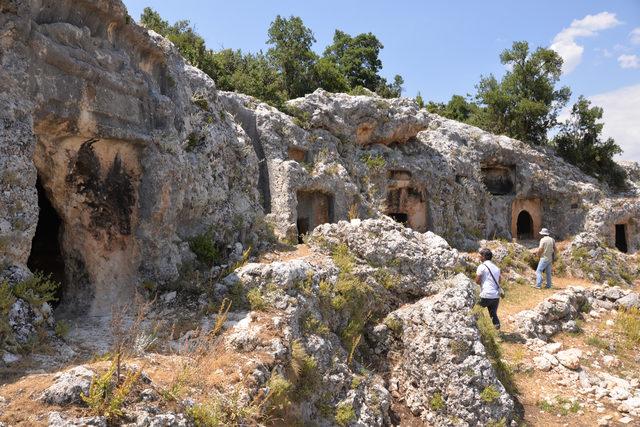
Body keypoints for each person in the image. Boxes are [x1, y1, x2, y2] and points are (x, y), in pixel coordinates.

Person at [475, 248, 502, 330]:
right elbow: (499, 280)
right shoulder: (496, 267)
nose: (479, 257)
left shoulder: (482, 266)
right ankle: (497, 330)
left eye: (480, 255)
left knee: (476, 310)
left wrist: (482, 284)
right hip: (496, 296)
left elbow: (477, 280)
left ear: (484, 256)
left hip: (486, 295)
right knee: (493, 314)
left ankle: (480, 328)